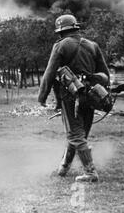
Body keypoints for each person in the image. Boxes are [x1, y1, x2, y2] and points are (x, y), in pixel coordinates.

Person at [38, 14, 110, 182]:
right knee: (78, 133)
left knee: (75, 134)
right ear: (76, 28)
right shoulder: (93, 45)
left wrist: (42, 97)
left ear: (61, 32)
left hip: (70, 97)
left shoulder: (60, 46)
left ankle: (90, 172)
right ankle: (64, 168)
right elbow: (105, 75)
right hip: (92, 96)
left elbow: (49, 74)